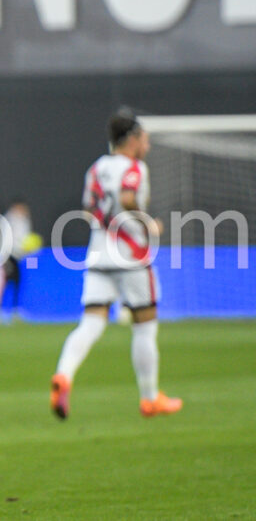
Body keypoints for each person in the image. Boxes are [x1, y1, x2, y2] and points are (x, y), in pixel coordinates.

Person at [50, 108, 182, 420]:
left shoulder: (96, 168)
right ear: (133, 139)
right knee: (145, 326)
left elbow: (88, 210)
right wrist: (147, 223)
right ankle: (150, 398)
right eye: (145, 139)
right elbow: (126, 198)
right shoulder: (134, 167)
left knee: (91, 322)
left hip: (98, 253)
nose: (147, 145)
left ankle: (64, 375)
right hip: (131, 255)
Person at [0, 199, 33, 323]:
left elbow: (24, 240)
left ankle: (15, 311)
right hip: (7, 256)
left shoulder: (24, 221)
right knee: (4, 284)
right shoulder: (7, 220)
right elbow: (1, 240)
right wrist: (2, 258)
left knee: (17, 283)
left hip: (18, 256)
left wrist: (28, 250)